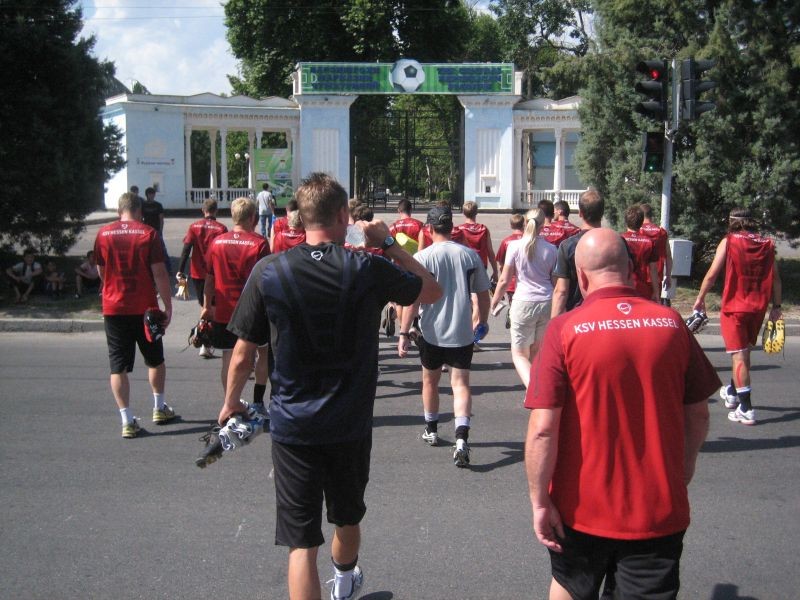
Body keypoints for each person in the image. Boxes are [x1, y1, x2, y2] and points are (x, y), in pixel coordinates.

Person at [218, 173, 441, 600]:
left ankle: (339, 580)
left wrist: (231, 403)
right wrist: (389, 243)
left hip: (293, 425)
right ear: (343, 215)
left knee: (301, 543)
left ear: (301, 218)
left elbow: (244, 354)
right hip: (349, 424)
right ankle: (343, 580)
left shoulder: (269, 271)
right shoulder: (367, 266)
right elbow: (431, 290)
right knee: (347, 518)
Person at [525, 228, 717, 600]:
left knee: (570, 584)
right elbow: (698, 414)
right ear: (631, 269)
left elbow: (543, 429)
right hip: (657, 508)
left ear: (580, 277)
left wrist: (539, 501)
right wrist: (682, 471)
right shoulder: (671, 323)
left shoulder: (564, 329)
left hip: (580, 508)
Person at [398, 205, 491, 468]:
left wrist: (404, 332)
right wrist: (482, 321)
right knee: (460, 385)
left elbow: (413, 300)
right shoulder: (470, 256)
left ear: (428, 229)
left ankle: (432, 429)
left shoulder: (422, 257)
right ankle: (461, 439)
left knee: (430, 381)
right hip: (461, 331)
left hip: (431, 331)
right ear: (452, 227)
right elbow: (482, 294)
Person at [94, 192, 176, 438]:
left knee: (118, 365)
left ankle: (127, 420)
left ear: (119, 211)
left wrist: (110, 286)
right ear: (139, 211)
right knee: (155, 359)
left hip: (114, 307)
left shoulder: (103, 234)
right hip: (145, 308)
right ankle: (159, 408)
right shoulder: (148, 233)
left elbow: (101, 269)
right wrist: (168, 306)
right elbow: (159, 272)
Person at [693, 208, 782, 426]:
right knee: (744, 352)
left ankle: (746, 408)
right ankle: (733, 392)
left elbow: (712, 274)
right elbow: (776, 279)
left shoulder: (729, 241)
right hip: (758, 308)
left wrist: (700, 298)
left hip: (735, 307)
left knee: (739, 356)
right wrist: (777, 306)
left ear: (732, 222)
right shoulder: (767, 243)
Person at [202, 197, 270, 405]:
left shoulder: (217, 242)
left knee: (228, 358)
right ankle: (257, 403)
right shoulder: (259, 243)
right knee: (262, 353)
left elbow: (209, 279)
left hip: (224, 309)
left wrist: (207, 305)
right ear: (252, 217)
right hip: (252, 310)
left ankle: (230, 403)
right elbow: (265, 279)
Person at [490, 209, 557, 388]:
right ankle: (535, 389)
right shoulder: (552, 249)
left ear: (525, 223)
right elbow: (554, 281)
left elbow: (504, 279)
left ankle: (534, 390)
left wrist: (495, 300)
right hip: (547, 301)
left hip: (523, 301)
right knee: (537, 352)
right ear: (543, 226)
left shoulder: (514, 246)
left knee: (519, 355)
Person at [176, 198, 228, 357]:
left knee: (204, 306)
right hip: (214, 273)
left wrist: (180, 270)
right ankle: (205, 341)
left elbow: (186, 249)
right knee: (211, 308)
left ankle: (204, 340)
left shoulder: (194, 227)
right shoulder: (221, 228)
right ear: (216, 210)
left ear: (203, 210)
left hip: (197, 273)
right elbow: (224, 252)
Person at [550, 188, 604, 317]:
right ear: (602, 213)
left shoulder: (568, 246)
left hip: (577, 314)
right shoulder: (616, 243)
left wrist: (553, 323)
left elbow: (561, 291)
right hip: (606, 314)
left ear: (580, 213)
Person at [621, 205, 659, 301]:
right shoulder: (649, 242)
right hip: (642, 286)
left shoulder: (619, 239)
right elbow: (653, 269)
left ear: (625, 222)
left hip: (623, 285)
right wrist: (656, 291)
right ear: (642, 222)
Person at [494, 213, 525, 329]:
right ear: (524, 224)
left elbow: (501, 263)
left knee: (514, 303)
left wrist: (502, 273)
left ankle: (512, 314)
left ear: (511, 225)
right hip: (525, 279)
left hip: (511, 281)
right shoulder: (529, 240)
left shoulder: (506, 241)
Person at [639, 203, 673, 305]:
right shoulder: (662, 232)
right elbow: (668, 256)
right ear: (651, 215)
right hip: (657, 278)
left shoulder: (638, 231)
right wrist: (668, 276)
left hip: (641, 276)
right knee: (655, 307)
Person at [141, 186, 171, 274]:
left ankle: (168, 268)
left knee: (162, 249)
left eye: (153, 194)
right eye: (150, 194)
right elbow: (140, 217)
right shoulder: (143, 205)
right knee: (145, 249)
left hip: (156, 229)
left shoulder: (158, 205)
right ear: (147, 195)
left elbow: (161, 218)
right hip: (146, 230)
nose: (152, 196)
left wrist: (160, 230)